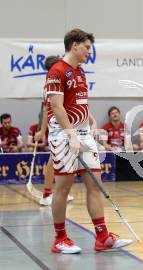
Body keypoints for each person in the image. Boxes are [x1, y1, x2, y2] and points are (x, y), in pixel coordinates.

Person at [45, 29, 131, 254]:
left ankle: (102, 237)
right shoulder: (57, 71)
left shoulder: (80, 72)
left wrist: (91, 122)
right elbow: (56, 106)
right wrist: (71, 134)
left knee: (95, 183)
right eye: (86, 47)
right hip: (63, 134)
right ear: (74, 45)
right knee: (63, 187)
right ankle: (60, 239)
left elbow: (81, 103)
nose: (89, 52)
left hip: (83, 134)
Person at [35, 55, 74, 206]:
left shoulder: (58, 82)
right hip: (57, 129)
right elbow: (47, 110)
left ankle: (58, 192)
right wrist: (42, 130)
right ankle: (46, 195)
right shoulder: (49, 86)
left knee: (59, 161)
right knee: (53, 161)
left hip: (64, 126)